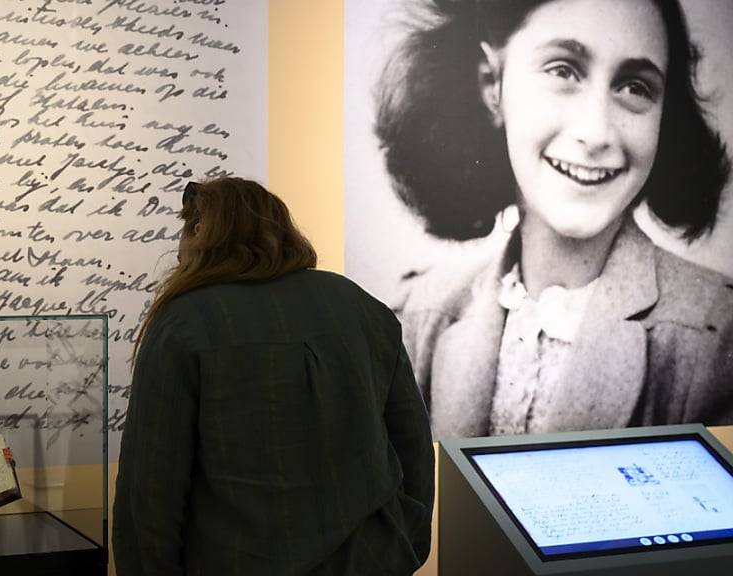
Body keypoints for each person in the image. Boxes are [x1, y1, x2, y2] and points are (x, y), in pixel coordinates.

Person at [374, 0, 733, 440]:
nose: (597, 132)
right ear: (493, 86)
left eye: (635, 87)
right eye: (563, 70)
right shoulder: (416, 318)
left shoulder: (718, 338)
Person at [112, 177, 434, 575]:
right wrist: (405, 542)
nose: (178, 255)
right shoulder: (359, 305)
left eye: (183, 231)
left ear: (199, 230)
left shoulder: (185, 322)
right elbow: (414, 445)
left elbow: (150, 492)